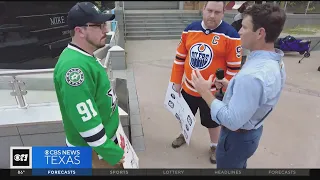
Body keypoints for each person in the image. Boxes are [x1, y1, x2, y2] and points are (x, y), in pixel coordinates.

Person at [191, 3, 287, 168]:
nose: (239, 31)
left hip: (236, 139)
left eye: (244, 27)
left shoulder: (252, 76)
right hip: (252, 132)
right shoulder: (275, 60)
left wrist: (205, 92)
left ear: (260, 33)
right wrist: (231, 86)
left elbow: (232, 120)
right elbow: (258, 95)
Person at [53, 2, 124, 169]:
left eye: (104, 24)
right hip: (96, 153)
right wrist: (112, 153)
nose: (106, 30)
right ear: (80, 31)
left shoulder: (85, 56)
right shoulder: (74, 69)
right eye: (99, 26)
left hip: (103, 144)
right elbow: (86, 123)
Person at [170, 1, 242, 164]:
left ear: (223, 12)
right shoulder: (190, 30)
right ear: (203, 9)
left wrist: (225, 85)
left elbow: (234, 68)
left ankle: (214, 145)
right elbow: (180, 58)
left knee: (213, 122)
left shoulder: (231, 35)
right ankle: (184, 134)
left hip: (211, 93)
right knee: (184, 115)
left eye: (217, 12)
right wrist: (175, 81)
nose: (212, 15)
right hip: (188, 87)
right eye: (209, 10)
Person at [231, 1, 250, 67]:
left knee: (242, 63)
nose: (238, 9)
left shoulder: (253, 16)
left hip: (246, 46)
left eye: (239, 7)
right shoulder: (237, 17)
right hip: (237, 44)